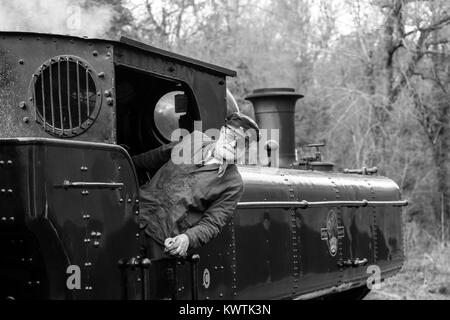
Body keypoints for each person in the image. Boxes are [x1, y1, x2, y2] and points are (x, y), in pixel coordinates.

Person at [132, 112, 259, 259]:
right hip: (134, 214)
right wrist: (120, 163)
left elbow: (212, 224)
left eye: (241, 143)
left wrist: (186, 239)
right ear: (223, 132)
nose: (233, 145)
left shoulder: (233, 184)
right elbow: (153, 158)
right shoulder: (193, 139)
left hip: (162, 240)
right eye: (231, 137)